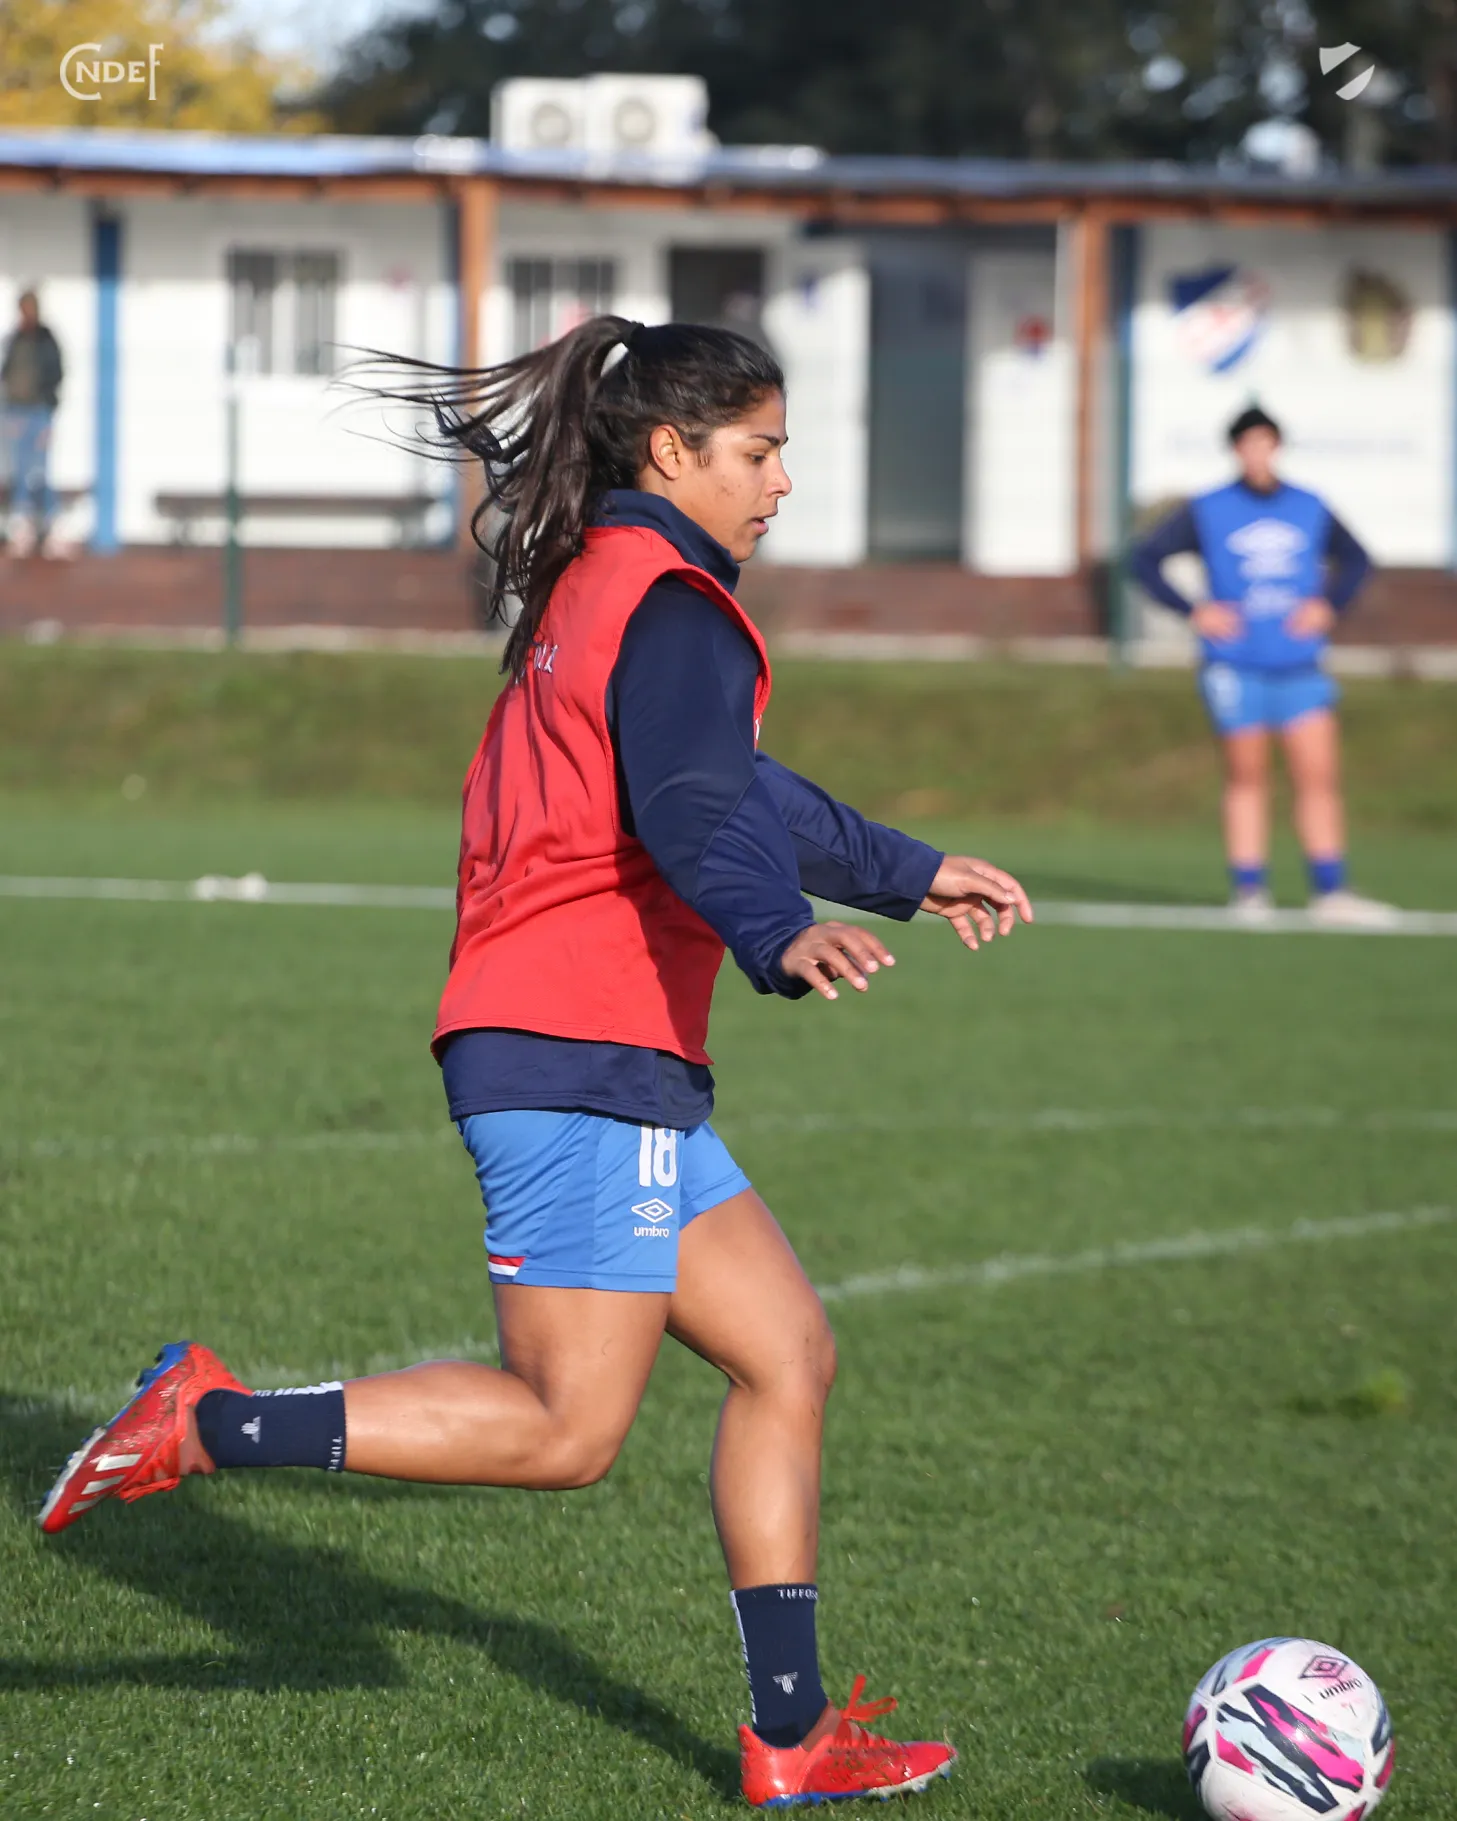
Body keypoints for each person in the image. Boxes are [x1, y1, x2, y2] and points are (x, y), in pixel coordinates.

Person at [39, 317, 1034, 1807]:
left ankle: (790, 1736)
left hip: (595, 1048)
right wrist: (777, 932)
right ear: (671, 450)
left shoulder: (598, 583)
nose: (781, 482)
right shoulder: (673, 604)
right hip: (582, 1046)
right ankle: (208, 1419)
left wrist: (901, 869)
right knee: (566, 1430)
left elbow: (727, 782)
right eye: (759, 452)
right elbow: (697, 807)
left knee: (785, 1352)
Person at [1130, 404, 1396, 927]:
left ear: (1277, 447)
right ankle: (1249, 891)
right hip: (1235, 665)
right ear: (1236, 450)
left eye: (1266, 443)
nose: (1257, 453)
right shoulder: (1209, 508)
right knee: (1247, 777)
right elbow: (1144, 558)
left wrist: (1329, 604)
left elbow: (1357, 559)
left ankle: (1330, 890)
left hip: (1298, 665)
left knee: (1317, 776)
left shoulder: (1308, 505)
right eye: (1247, 444)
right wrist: (1195, 610)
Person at [1, 288, 65, 559]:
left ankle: (51, 530)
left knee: (40, 471)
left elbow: (57, 374)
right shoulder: (14, 338)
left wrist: (48, 412)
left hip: (39, 412)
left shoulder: (46, 339)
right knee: (19, 471)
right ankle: (22, 531)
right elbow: (6, 373)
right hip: (16, 412)